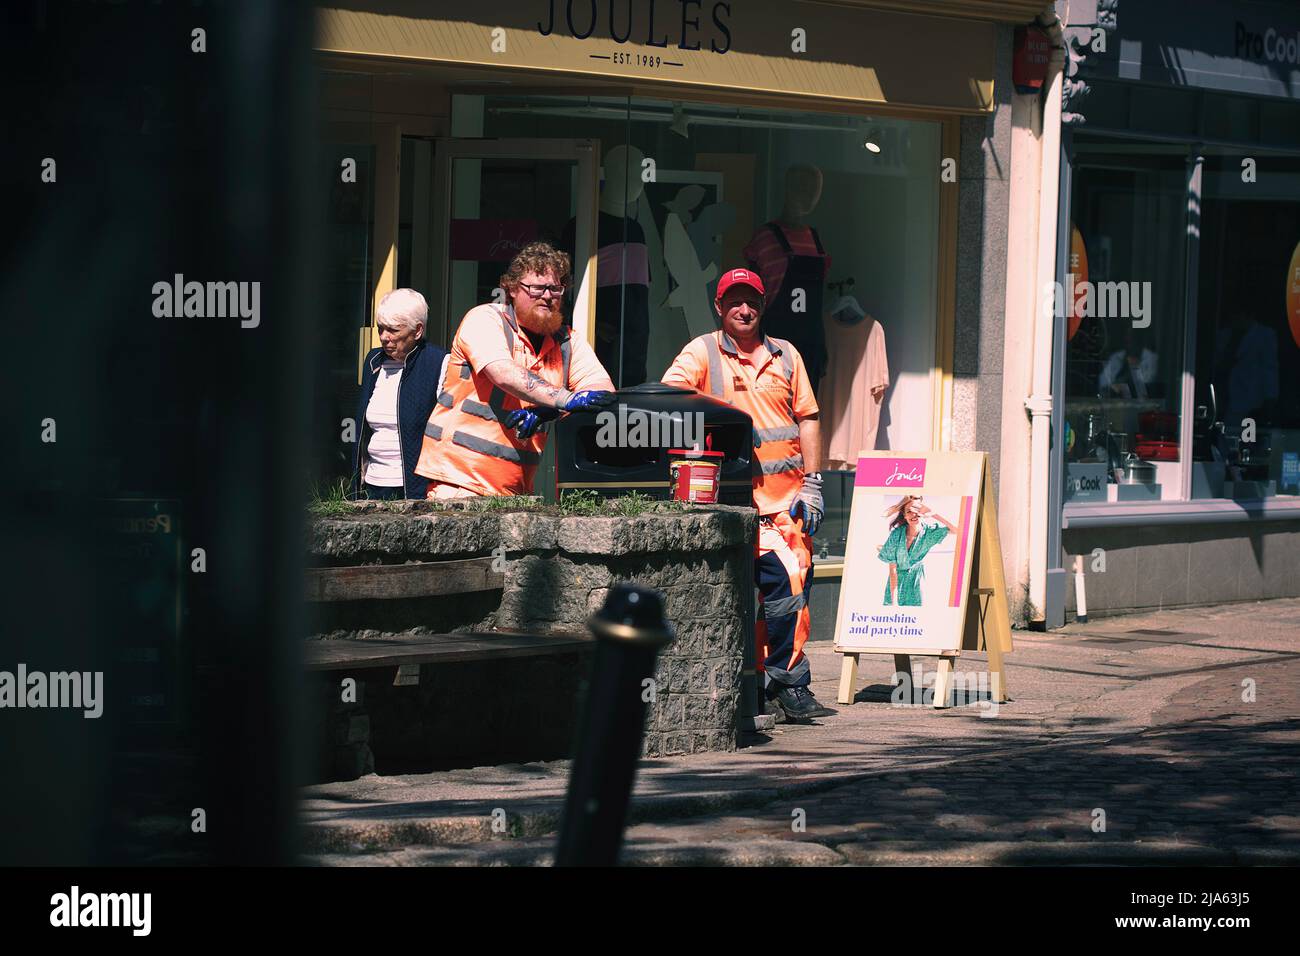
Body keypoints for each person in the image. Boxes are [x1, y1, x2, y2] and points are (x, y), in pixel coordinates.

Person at [661, 267, 831, 722]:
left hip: (787, 503)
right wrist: (726, 421)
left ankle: (787, 683)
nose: (744, 308)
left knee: (789, 593)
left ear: (762, 304)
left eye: (751, 300)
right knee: (742, 597)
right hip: (730, 502)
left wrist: (814, 483)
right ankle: (756, 685)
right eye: (734, 300)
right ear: (719, 307)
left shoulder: (788, 356)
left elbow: (809, 417)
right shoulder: (701, 352)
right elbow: (667, 402)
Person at [415, 241, 616, 498]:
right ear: (511, 289)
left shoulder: (568, 341)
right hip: (458, 483)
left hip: (514, 491)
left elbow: (603, 390)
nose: (547, 296)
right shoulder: (485, 318)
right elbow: (503, 373)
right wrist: (566, 400)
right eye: (536, 288)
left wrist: (549, 411)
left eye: (555, 288)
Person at [351, 288, 449, 500]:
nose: (384, 337)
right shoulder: (373, 361)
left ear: (417, 331)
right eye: (380, 329)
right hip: (372, 484)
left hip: (415, 488)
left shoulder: (438, 362)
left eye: (393, 330)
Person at [878, 496, 956, 606]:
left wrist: (933, 513)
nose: (913, 514)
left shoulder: (928, 533)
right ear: (904, 516)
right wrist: (893, 601)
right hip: (895, 587)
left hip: (916, 584)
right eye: (909, 511)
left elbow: (957, 530)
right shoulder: (896, 534)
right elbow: (892, 571)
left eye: (916, 510)